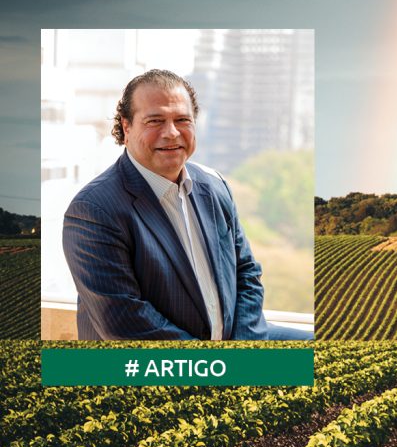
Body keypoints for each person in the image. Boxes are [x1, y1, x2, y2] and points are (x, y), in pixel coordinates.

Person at [63, 69, 311, 340]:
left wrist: (242, 349)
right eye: (155, 121)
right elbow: (124, 324)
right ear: (126, 126)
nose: (171, 133)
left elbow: (246, 273)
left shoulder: (215, 186)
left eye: (182, 119)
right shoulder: (93, 210)